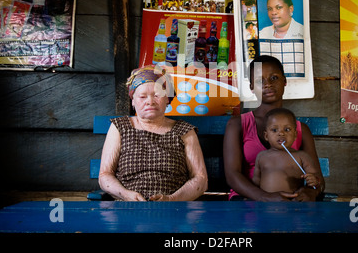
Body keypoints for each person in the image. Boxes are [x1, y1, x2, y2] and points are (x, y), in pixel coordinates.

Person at [99, 65, 208, 201]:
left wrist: (171, 199)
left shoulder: (184, 130)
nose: (150, 101)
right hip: (128, 207)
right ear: (133, 101)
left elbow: (201, 179)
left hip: (173, 209)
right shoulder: (120, 127)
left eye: (157, 95)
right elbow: (105, 174)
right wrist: (125, 194)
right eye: (142, 96)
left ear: (167, 98)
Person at [223, 55, 325, 201]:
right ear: (251, 87)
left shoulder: (301, 130)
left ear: (284, 81)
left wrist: (311, 192)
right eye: (259, 80)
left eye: (274, 78)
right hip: (246, 199)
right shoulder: (238, 124)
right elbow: (233, 176)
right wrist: (265, 197)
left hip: (291, 201)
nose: (267, 84)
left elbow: (318, 180)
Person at [253, 108, 321, 195]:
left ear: (295, 135)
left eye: (287, 130)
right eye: (274, 130)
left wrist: (314, 180)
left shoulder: (301, 156)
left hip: (293, 201)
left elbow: (315, 176)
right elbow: (256, 181)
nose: (281, 133)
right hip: (266, 203)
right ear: (266, 136)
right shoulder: (261, 156)